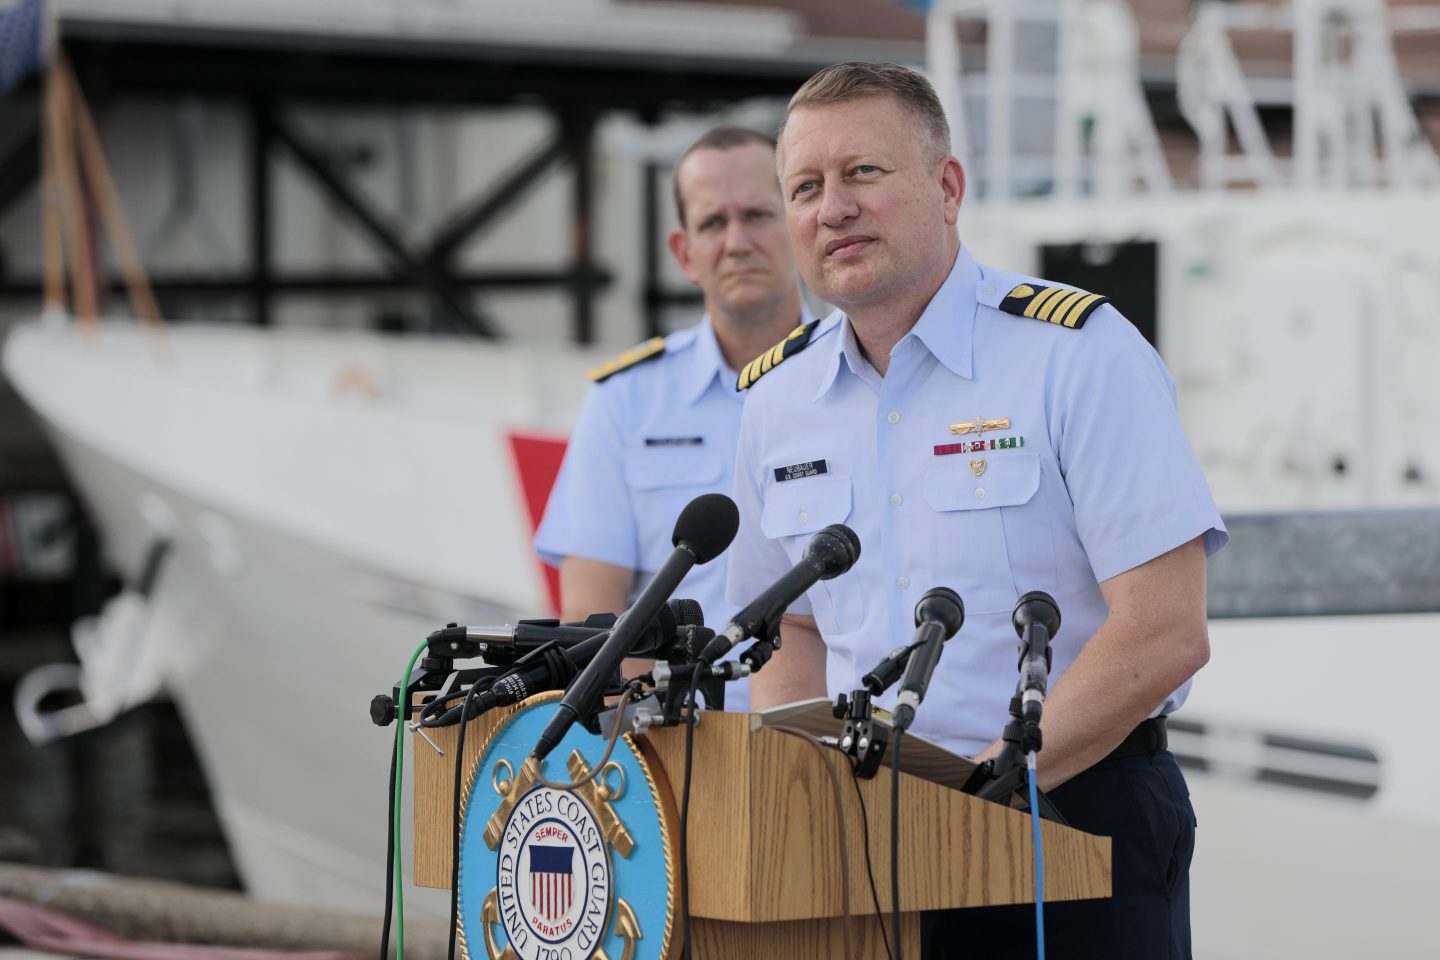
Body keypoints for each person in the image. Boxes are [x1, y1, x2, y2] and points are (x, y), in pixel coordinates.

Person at [726, 62, 1226, 957]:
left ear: (947, 187)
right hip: (865, 841)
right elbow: (787, 627)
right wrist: (803, 800)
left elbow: (1163, 630)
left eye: (863, 174)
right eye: (805, 187)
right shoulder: (776, 401)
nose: (831, 208)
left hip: (1075, 816)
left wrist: (993, 787)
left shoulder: (1077, 355)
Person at [535, 126, 811, 711]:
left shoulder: (865, 375)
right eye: (713, 223)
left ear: (796, 223)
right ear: (685, 253)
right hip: (677, 753)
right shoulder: (625, 401)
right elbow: (593, 627)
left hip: (839, 752)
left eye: (758, 214)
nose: (737, 241)